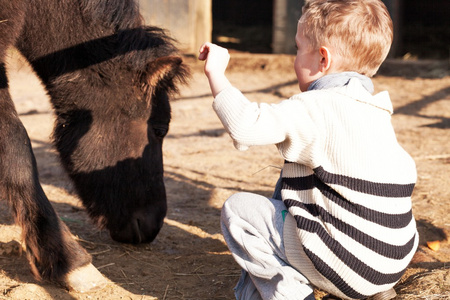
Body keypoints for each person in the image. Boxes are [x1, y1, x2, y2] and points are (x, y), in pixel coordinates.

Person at [198, 0, 418, 299]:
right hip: (391, 261)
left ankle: (292, 294)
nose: (295, 57)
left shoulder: (316, 107)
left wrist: (217, 74)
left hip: (350, 263)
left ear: (322, 59)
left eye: (298, 48)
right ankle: (367, 287)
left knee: (239, 211)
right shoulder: (378, 111)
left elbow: (246, 125)